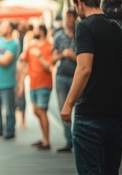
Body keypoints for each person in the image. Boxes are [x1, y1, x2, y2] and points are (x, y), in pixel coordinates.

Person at [61, 0, 122, 175]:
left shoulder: (83, 27)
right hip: (116, 116)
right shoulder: (116, 28)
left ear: (79, 2)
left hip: (90, 115)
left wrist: (68, 104)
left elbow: (84, 68)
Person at [20, 24, 53, 150]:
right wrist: (21, 82)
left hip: (44, 83)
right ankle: (44, 138)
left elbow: (49, 67)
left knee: (41, 110)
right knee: (35, 110)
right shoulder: (31, 45)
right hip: (32, 83)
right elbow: (24, 61)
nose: (33, 32)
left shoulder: (49, 46)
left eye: (36, 30)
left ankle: (47, 141)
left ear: (42, 32)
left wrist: (40, 55)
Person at [52, 9, 78, 152]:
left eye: (69, 17)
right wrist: (63, 55)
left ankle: (78, 140)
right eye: (65, 17)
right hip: (62, 76)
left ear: (75, 18)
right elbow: (52, 58)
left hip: (77, 77)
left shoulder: (81, 35)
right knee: (64, 109)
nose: (67, 20)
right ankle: (69, 141)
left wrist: (72, 55)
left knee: (79, 108)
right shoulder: (58, 36)